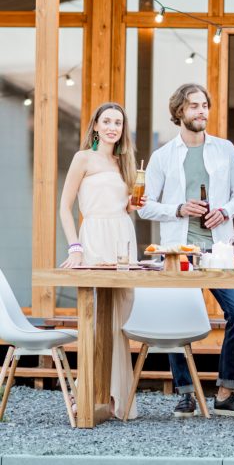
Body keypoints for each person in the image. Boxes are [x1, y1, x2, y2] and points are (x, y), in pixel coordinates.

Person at [139, 83, 234, 418]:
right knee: (178, 317)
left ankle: (225, 391)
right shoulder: (163, 156)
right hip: (178, 251)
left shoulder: (225, 149)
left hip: (218, 249)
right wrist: (178, 209)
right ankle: (186, 392)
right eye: (194, 106)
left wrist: (226, 210)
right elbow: (145, 206)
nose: (201, 111)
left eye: (204, 105)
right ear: (179, 111)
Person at [59, 102, 142, 420]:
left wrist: (134, 204)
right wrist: (75, 247)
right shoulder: (84, 158)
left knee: (120, 317)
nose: (112, 127)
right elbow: (65, 207)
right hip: (93, 234)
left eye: (118, 122)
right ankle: (86, 391)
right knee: (95, 315)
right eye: (106, 121)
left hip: (123, 235)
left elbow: (124, 206)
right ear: (95, 126)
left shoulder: (125, 161)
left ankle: (114, 397)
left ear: (123, 129)